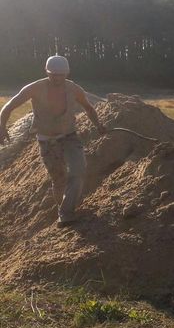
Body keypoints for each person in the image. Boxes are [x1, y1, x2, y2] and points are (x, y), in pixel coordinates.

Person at [0, 56, 106, 226]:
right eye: (54, 75)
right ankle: (63, 210)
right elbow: (9, 105)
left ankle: (66, 213)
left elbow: (88, 107)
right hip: (47, 140)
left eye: (61, 75)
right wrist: (1, 126)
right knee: (59, 179)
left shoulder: (74, 89)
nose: (57, 78)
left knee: (78, 170)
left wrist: (98, 124)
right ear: (47, 72)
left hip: (69, 137)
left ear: (67, 73)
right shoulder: (35, 88)